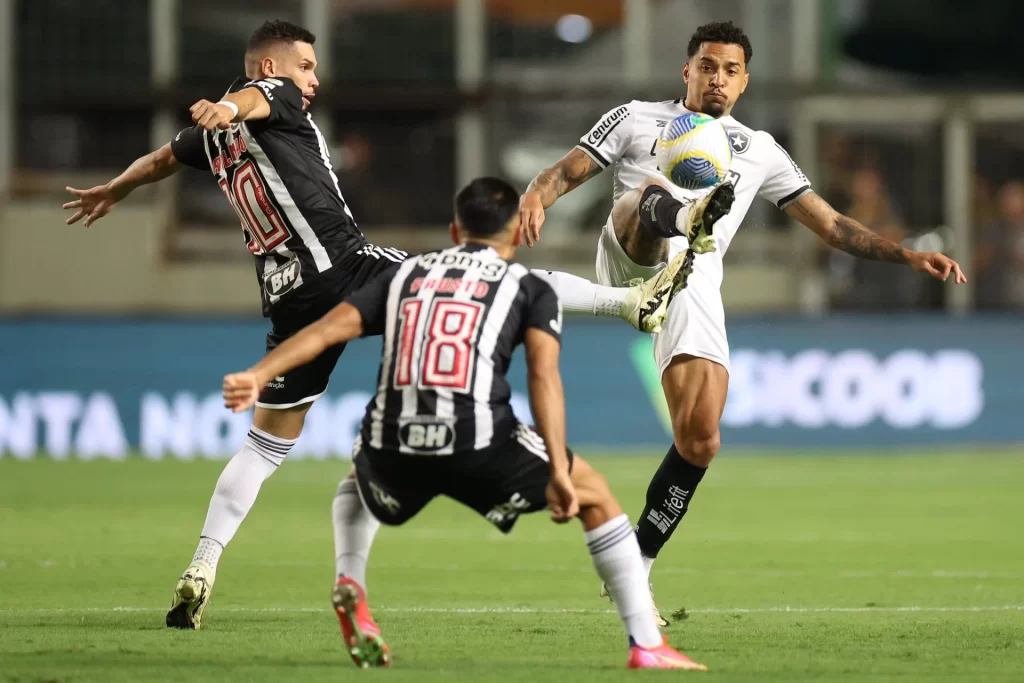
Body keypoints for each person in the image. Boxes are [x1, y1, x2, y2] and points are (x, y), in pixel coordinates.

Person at [60, 20, 697, 630]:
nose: (312, 81)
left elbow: (161, 159)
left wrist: (115, 189)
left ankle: (202, 564)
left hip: (289, 297)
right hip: (347, 266)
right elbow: (256, 99)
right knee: (482, 274)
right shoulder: (271, 96)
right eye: (305, 66)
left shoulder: (212, 138)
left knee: (265, 446)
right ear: (270, 64)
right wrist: (231, 107)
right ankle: (632, 303)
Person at [517, 20, 967, 626]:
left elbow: (832, 225)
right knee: (643, 195)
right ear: (687, 71)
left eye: (730, 70)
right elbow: (565, 172)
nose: (717, 79)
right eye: (707, 66)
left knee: (700, 440)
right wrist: (534, 197)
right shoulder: (635, 118)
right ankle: (686, 216)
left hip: (692, 282)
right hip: (633, 250)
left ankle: (636, 564)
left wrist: (906, 253)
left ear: (745, 81)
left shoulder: (757, 149)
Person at [221, 177, 707, 670]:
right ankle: (647, 645)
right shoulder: (529, 287)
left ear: (456, 230)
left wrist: (258, 374)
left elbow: (327, 328)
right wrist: (559, 468)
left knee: (356, 482)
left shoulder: (403, 275)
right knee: (596, 496)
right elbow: (544, 379)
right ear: (516, 233)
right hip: (478, 442)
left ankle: (352, 581)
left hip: (393, 440)